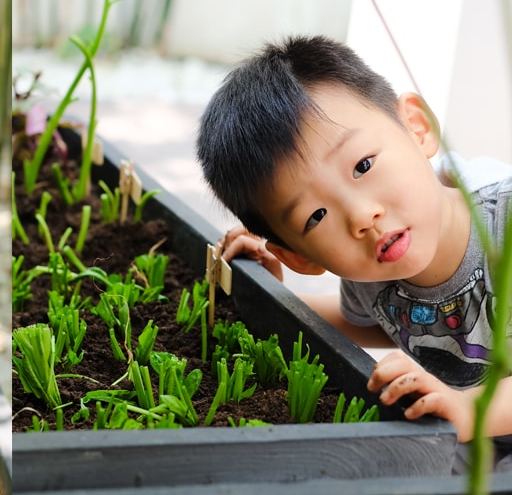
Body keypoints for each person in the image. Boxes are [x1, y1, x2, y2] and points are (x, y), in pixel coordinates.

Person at [196, 34, 512, 455]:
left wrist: (469, 409)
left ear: (417, 128)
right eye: (315, 216)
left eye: (363, 165)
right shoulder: (373, 272)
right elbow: (373, 321)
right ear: (300, 256)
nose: (362, 217)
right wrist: (276, 295)